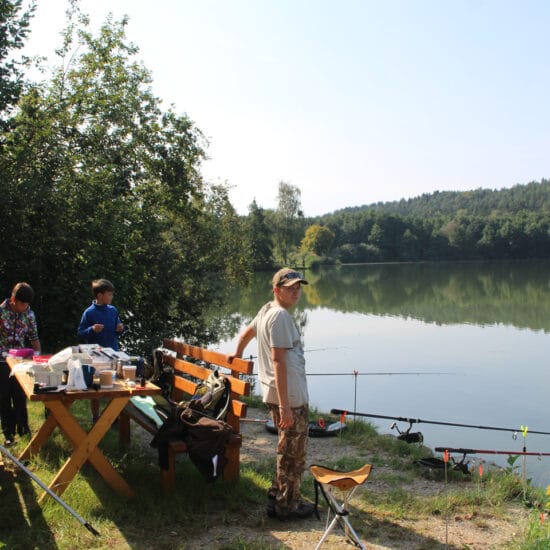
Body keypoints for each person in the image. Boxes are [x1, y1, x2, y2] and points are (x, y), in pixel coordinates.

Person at [228, 268, 314, 520]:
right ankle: (286, 506)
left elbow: (247, 332)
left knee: (285, 447)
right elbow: (278, 361)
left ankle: (277, 494)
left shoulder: (267, 310)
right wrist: (287, 406)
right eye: (290, 288)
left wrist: (237, 352)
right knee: (292, 454)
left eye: (298, 287)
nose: (296, 292)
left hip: (275, 395)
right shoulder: (280, 317)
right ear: (277, 290)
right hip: (290, 398)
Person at [77, 279, 124, 422]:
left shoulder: (113, 310)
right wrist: (91, 329)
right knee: (96, 389)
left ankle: (112, 416)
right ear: (100, 295)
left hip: (112, 354)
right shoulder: (89, 313)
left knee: (114, 386)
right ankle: (95, 417)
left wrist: (121, 328)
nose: (111, 297)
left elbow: (118, 327)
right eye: (109, 294)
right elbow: (80, 333)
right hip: (96, 357)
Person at [0, 282, 41, 446]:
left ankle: (24, 430)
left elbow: (34, 338)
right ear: (13, 300)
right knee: (4, 397)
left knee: (20, 395)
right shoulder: (1, 313)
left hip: (21, 361)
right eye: (22, 304)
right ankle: (8, 434)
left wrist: (38, 356)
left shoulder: (30, 315)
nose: (25, 307)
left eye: (27, 304)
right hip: (2, 359)